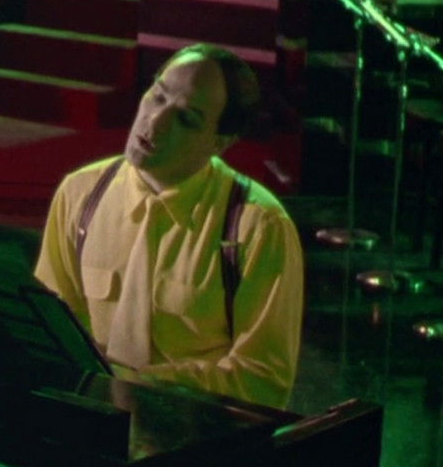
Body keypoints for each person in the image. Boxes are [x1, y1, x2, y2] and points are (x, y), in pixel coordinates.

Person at [33, 43, 303, 408]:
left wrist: (138, 385)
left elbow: (262, 380)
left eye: (186, 119)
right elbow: (50, 330)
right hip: (94, 420)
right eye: (157, 96)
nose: (155, 122)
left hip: (197, 430)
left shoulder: (258, 226)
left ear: (220, 142)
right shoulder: (80, 194)